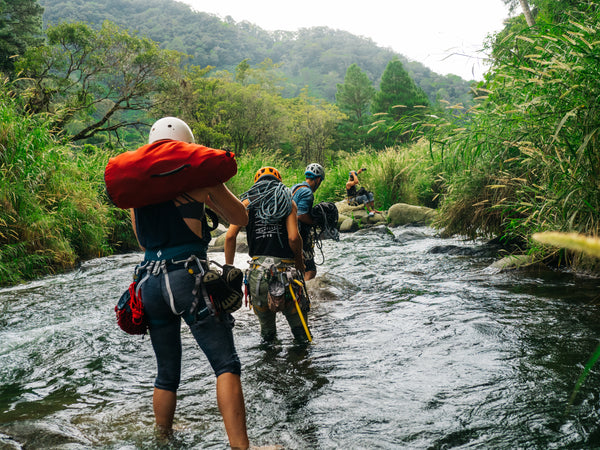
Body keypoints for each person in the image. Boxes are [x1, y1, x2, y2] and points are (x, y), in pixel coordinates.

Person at [129, 117, 250, 448]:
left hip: (149, 283)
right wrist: (208, 197)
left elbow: (143, 243)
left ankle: (163, 438)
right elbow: (240, 218)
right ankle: (242, 447)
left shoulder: (136, 186)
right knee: (226, 363)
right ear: (187, 143)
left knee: (166, 372)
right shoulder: (198, 175)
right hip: (186, 278)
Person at [224, 166, 309, 343]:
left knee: (268, 335)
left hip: (258, 275)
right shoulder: (288, 202)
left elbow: (230, 236)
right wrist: (300, 263)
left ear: (257, 183)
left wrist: (229, 269)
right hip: (287, 274)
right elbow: (294, 238)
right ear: (279, 182)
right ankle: (302, 366)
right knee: (301, 335)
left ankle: (267, 367)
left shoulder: (247, 204)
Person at [291, 163, 325, 281]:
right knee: (310, 270)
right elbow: (301, 215)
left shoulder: (295, 188)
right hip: (299, 234)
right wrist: (314, 222)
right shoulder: (308, 193)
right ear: (319, 179)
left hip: (289, 232)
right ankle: (306, 294)